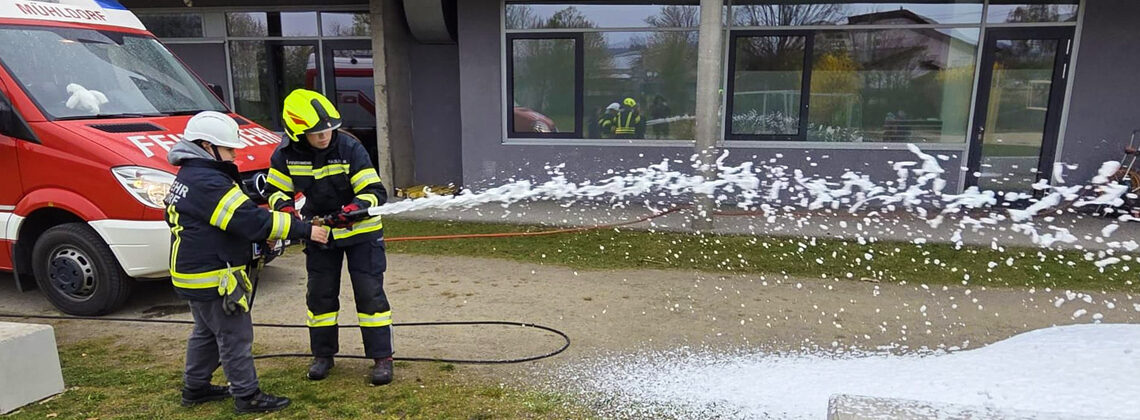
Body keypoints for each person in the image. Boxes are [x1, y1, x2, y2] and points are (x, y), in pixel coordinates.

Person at [165, 111, 329, 413]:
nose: (233, 155)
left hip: (193, 274)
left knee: (206, 332)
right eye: (227, 149)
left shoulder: (191, 175)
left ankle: (196, 387)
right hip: (213, 277)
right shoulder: (208, 182)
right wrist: (305, 230)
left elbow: (223, 224)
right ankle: (247, 396)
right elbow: (249, 219)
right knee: (234, 336)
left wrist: (254, 242)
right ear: (206, 145)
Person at [263, 89, 395, 385]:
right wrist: (286, 210)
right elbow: (274, 191)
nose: (325, 136)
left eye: (328, 130)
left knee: (370, 295)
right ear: (297, 133)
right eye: (317, 132)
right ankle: (323, 356)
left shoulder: (349, 148)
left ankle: (382, 358)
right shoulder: (285, 155)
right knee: (320, 296)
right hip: (319, 234)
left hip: (361, 233)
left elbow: (375, 193)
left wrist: (351, 210)